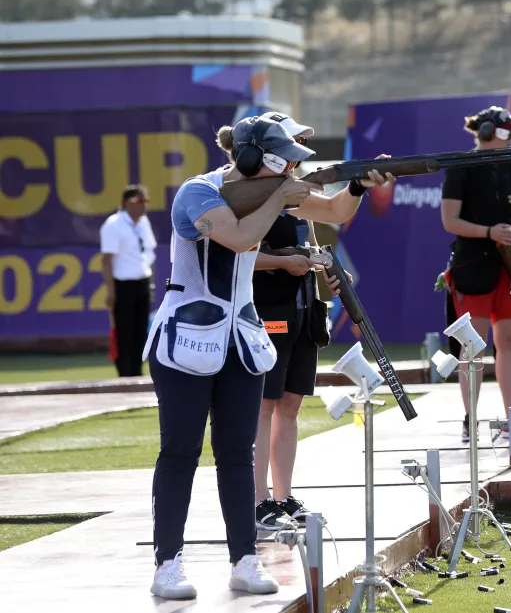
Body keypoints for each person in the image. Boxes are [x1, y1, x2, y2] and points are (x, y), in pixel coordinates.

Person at [144, 115, 392, 601]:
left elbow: (336, 211)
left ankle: (243, 559)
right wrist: (281, 198)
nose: (292, 173)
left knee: (238, 454)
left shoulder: (273, 192)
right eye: (285, 164)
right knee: (180, 453)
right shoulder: (198, 193)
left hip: (239, 337)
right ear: (258, 159)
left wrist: (358, 184)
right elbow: (237, 237)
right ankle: (167, 563)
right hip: (186, 340)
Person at [216, 111, 327, 532]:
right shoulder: (235, 190)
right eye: (287, 146)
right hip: (266, 308)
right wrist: (283, 262)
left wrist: (320, 265)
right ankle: (259, 499)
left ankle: (284, 496)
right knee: (263, 407)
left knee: (291, 405)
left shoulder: (296, 190)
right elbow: (236, 252)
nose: (294, 154)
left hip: (301, 307)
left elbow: (314, 238)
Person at [440, 106, 511, 442]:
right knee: (473, 347)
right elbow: (450, 221)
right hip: (473, 265)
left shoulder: (509, 165)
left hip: (507, 266)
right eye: (507, 131)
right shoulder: (461, 167)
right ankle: (471, 420)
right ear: (486, 132)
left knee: (509, 342)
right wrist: (489, 232)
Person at [99, 184, 157, 377]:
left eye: (145, 201)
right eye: (139, 201)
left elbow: (149, 254)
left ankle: (137, 374)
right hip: (123, 285)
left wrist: (151, 283)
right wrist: (111, 291)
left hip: (142, 283)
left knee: (141, 333)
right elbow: (107, 260)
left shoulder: (143, 223)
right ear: (127, 203)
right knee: (125, 334)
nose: (144, 205)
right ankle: (124, 376)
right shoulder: (113, 224)